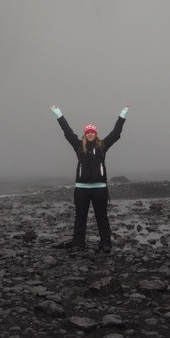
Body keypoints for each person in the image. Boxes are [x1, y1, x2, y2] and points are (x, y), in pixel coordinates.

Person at [50, 104, 130, 254]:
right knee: (80, 216)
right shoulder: (79, 146)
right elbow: (67, 131)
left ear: (96, 134)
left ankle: (105, 243)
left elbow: (116, 132)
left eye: (93, 132)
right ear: (85, 134)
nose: (91, 134)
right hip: (81, 188)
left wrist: (123, 114)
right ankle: (78, 243)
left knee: (102, 216)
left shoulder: (102, 146)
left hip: (100, 188)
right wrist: (58, 113)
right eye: (88, 132)